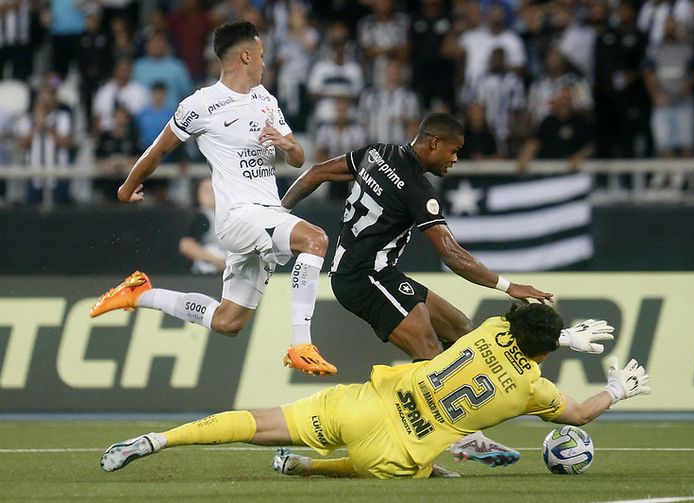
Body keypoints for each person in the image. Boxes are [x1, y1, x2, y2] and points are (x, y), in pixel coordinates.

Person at [100, 303, 650, 479]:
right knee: (405, 467)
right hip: (395, 449)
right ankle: (309, 469)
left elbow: (518, 324)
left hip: (365, 403)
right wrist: (616, 391)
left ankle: (155, 441)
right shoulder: (533, 389)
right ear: (546, 352)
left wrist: (561, 333)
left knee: (254, 424)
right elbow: (577, 413)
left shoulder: (488, 329)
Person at [88, 21, 337, 377]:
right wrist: (126, 187)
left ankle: (140, 293)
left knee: (228, 321)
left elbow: (297, 158)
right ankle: (301, 344)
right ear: (246, 56)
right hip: (239, 217)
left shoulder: (266, 100)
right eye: (262, 56)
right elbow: (158, 150)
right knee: (315, 239)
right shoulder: (202, 104)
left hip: (266, 216)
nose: (265, 63)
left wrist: (288, 146)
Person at [281, 112, 551, 361]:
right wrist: (507, 286)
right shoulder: (418, 189)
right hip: (363, 277)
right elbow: (451, 254)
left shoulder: (377, 153)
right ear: (434, 143)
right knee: (432, 358)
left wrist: (280, 213)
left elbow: (316, 173)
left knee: (464, 332)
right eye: (454, 151)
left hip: (376, 272)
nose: (455, 159)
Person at [179, 177, 226, 274]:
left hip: (226, 267)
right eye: (206, 190)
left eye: (213, 189)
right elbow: (186, 245)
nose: (210, 194)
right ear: (197, 194)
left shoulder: (225, 215)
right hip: (207, 271)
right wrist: (216, 260)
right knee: (213, 250)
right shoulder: (201, 216)